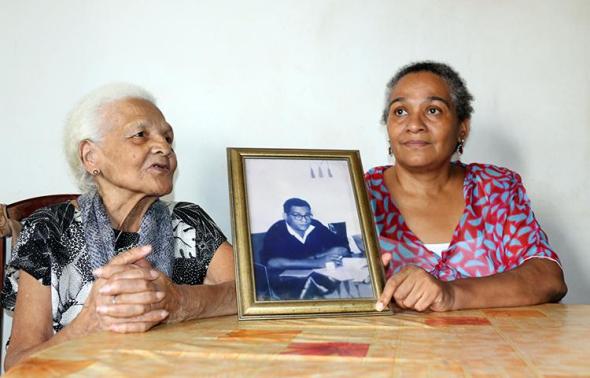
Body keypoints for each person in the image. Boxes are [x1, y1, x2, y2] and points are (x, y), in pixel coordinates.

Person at [1, 83, 236, 370]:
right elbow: (17, 364)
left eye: (168, 138)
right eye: (140, 135)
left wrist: (179, 302)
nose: (164, 147)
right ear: (91, 157)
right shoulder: (49, 229)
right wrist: (87, 325)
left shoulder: (187, 222)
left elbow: (254, 295)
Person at [366, 61, 567, 313]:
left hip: (491, 350)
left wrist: (450, 293)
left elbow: (549, 278)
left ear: (462, 127)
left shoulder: (494, 189)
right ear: (388, 127)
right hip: (393, 351)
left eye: (433, 110)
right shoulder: (360, 195)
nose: (414, 124)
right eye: (400, 111)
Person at [259, 198, 349, 299]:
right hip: (287, 283)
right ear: (285, 216)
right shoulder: (277, 230)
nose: (304, 220)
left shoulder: (315, 225)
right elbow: (273, 262)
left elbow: (341, 247)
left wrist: (318, 256)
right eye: (297, 215)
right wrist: (317, 262)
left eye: (307, 215)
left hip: (318, 276)